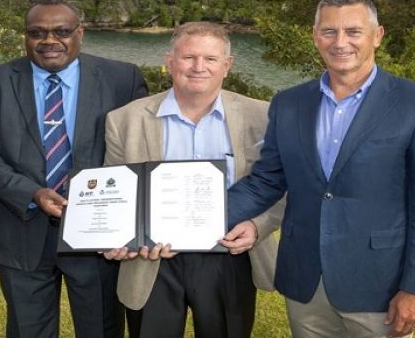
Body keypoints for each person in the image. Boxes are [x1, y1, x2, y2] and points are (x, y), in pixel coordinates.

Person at [221, 0, 415, 338]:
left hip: (380, 284)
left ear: (377, 36)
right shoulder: (289, 103)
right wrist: (192, 220)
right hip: (305, 281)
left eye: (353, 32)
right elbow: (266, 182)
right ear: (316, 37)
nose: (340, 42)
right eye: (329, 31)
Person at [0, 0, 148, 338]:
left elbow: (138, 151)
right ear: (25, 36)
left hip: (99, 239)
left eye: (61, 31)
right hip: (21, 230)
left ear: (80, 33)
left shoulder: (122, 79)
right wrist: (30, 192)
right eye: (37, 32)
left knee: (102, 329)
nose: (49, 40)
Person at [102, 21, 284, 338]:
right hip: (152, 259)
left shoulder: (264, 117)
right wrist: (119, 237)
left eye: (211, 59)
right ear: (170, 61)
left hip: (229, 255)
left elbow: (282, 186)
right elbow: (115, 192)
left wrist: (258, 225)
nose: (199, 67)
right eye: (188, 57)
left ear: (226, 66)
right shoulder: (124, 120)